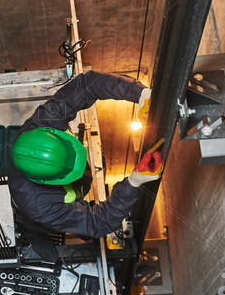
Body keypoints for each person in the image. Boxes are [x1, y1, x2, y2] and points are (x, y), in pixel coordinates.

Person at [8, 71, 159, 257]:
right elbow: (97, 223)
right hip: (38, 219)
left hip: (64, 190)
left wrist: (140, 94)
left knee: (99, 163)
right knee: (81, 226)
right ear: (48, 182)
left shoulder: (41, 126)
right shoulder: (41, 205)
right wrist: (133, 183)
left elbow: (87, 84)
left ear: (52, 132)